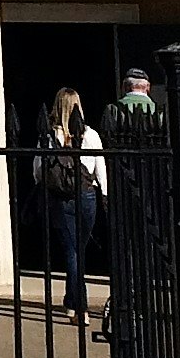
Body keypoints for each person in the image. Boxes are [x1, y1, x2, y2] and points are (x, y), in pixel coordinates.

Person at [32, 87, 108, 320]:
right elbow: (100, 169)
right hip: (87, 196)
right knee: (78, 250)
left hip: (59, 198)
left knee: (71, 251)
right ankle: (75, 303)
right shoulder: (90, 135)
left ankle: (77, 305)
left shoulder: (48, 137)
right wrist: (105, 195)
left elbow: (37, 171)